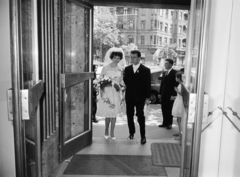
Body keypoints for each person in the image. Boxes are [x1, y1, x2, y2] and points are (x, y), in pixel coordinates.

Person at [123, 50, 151, 145]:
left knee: (140, 116)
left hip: (140, 98)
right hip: (129, 97)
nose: (132, 59)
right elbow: (125, 83)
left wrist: (147, 98)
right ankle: (131, 133)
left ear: (139, 58)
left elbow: (148, 85)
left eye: (134, 57)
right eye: (131, 57)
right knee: (129, 116)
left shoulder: (146, 70)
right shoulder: (127, 69)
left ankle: (143, 136)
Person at [96, 51, 125, 140]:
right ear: (112, 57)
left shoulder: (121, 69)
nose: (117, 59)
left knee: (114, 113)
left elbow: (121, 81)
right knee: (108, 113)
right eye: (116, 57)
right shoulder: (105, 68)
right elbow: (100, 79)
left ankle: (112, 132)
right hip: (107, 92)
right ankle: (106, 130)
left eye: (119, 58)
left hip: (116, 92)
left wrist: (122, 86)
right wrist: (104, 84)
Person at [158, 59, 178, 129]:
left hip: (170, 95)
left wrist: (173, 94)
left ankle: (169, 123)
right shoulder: (164, 73)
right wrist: (160, 93)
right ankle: (164, 122)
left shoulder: (175, 73)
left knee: (169, 109)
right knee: (163, 108)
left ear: (171, 64)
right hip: (164, 94)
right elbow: (162, 84)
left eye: (166, 63)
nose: (165, 65)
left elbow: (176, 85)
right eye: (165, 63)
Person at [172, 72, 184, 139]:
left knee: (179, 120)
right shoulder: (180, 84)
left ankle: (181, 135)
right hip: (179, 101)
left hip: (180, 102)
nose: (175, 78)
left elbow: (183, 94)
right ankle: (180, 132)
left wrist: (177, 91)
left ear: (179, 78)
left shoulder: (181, 85)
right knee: (178, 119)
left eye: (176, 77)